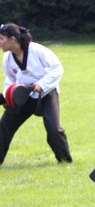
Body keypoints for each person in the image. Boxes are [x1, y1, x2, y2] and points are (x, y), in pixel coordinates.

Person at [0, 22, 72, 165]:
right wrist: (7, 96)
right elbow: (10, 78)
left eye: (1, 38)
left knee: (53, 128)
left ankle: (64, 160)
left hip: (46, 94)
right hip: (21, 97)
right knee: (4, 126)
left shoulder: (37, 50)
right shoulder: (7, 58)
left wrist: (41, 84)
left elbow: (57, 69)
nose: (0, 42)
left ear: (12, 39)